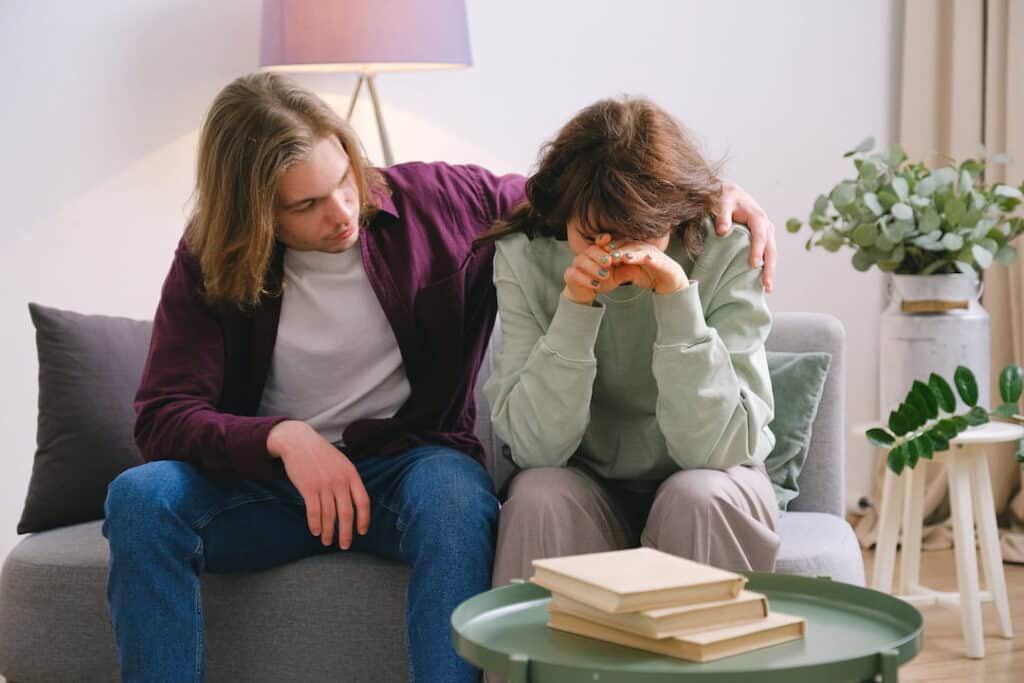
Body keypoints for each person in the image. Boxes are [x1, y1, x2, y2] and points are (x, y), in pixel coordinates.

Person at [101, 73, 776, 682]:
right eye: (304, 205)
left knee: (457, 499)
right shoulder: (208, 258)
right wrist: (281, 438)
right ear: (252, 212)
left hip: (407, 471)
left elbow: (582, 198)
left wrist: (702, 195)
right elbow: (162, 414)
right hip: (272, 487)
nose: (340, 211)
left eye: (344, 179)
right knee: (140, 497)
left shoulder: (439, 200)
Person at [480, 96, 781, 588]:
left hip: (714, 476)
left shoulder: (728, 247)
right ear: (565, 214)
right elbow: (536, 448)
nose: (616, 252)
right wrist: (575, 308)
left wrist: (678, 302)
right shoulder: (524, 254)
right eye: (593, 234)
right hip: (586, 483)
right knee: (538, 496)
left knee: (699, 496)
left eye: (641, 233)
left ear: (672, 213)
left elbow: (720, 449)